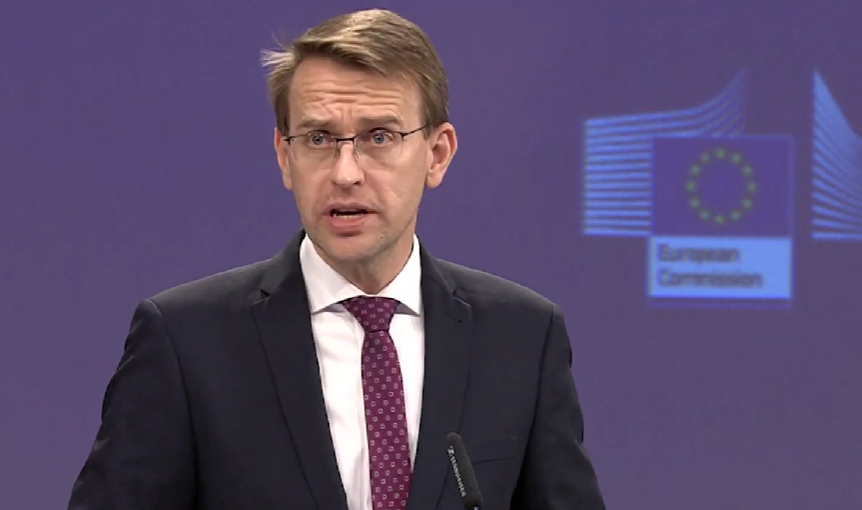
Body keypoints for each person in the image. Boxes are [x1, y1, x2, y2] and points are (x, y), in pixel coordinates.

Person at [67, 8, 605, 510]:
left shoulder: (522, 336)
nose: (345, 172)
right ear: (285, 156)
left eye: (379, 137)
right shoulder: (186, 340)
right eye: (319, 138)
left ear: (437, 154)